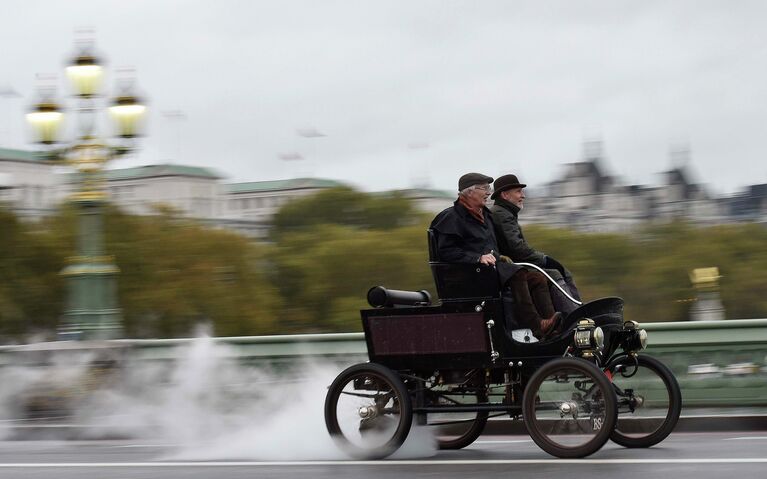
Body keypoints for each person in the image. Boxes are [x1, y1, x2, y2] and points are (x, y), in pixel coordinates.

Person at [429, 172, 561, 338]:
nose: (489, 192)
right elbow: (446, 251)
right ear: (469, 192)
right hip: (470, 276)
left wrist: (501, 256)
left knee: (536, 278)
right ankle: (537, 326)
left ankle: (552, 328)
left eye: (489, 188)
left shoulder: (486, 216)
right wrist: (478, 258)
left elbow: (495, 245)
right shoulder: (451, 218)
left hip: (492, 270)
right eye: (484, 188)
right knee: (517, 273)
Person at [489, 174, 581, 310]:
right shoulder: (503, 215)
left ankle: (576, 310)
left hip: (513, 263)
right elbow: (517, 249)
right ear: (505, 195)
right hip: (511, 266)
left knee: (560, 271)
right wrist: (544, 259)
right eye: (518, 191)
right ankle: (574, 315)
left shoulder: (504, 212)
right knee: (555, 273)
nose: (523, 196)